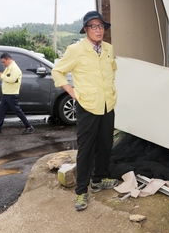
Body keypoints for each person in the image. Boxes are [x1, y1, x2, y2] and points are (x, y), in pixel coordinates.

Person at [51, 11, 119, 211]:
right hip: (87, 105)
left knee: (105, 144)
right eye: (93, 26)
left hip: (107, 103)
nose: (98, 30)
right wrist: (71, 91)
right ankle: (81, 191)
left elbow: (112, 70)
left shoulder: (108, 48)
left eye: (101, 26)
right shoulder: (75, 49)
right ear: (86, 29)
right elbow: (57, 70)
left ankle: (99, 180)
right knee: (86, 148)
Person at [0, 53, 34, 135]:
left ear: (8, 59)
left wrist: (1, 76)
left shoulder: (15, 68)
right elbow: (7, 78)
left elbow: (12, 80)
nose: (3, 64)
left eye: (4, 62)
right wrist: (1, 75)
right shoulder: (8, 68)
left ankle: (29, 126)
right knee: (1, 112)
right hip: (6, 94)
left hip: (12, 94)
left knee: (17, 111)